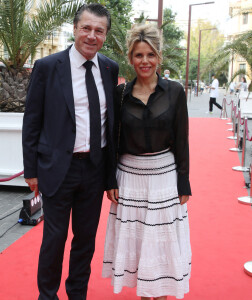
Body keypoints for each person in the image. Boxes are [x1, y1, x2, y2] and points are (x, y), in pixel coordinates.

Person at [22, 3, 119, 300]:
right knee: (54, 238)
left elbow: (111, 125)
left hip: (94, 170)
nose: (92, 36)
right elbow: (32, 122)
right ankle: (47, 296)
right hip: (57, 169)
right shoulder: (49, 67)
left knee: (85, 241)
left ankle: (77, 294)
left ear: (105, 35)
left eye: (99, 31)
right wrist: (31, 171)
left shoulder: (109, 68)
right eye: (86, 28)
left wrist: (111, 175)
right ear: (75, 29)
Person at [102, 23, 192, 300]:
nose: (145, 61)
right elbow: (112, 140)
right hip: (129, 179)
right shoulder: (119, 95)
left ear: (159, 57)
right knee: (140, 244)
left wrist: (183, 181)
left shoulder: (175, 92)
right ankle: (143, 295)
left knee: (162, 247)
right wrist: (110, 179)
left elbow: (182, 139)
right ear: (130, 58)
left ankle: (162, 295)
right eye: (139, 55)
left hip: (164, 178)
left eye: (150, 55)